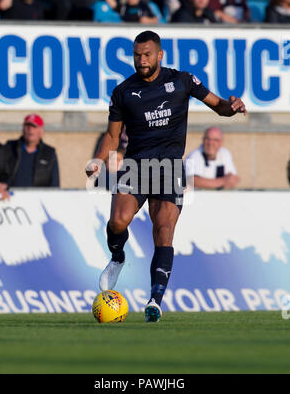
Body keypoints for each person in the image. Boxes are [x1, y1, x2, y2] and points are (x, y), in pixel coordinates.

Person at [85, 30, 246, 322]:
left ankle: (154, 302)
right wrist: (98, 160)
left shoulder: (182, 81)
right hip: (135, 166)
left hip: (170, 167)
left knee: (163, 231)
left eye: (147, 54)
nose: (141, 60)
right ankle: (118, 257)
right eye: (137, 55)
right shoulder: (123, 91)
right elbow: (112, 134)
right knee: (117, 221)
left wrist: (231, 107)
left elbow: (217, 105)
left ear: (160, 54)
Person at [0, 114, 60, 188]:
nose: (30, 129)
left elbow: (55, 184)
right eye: (27, 126)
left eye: (34, 126)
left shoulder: (49, 153)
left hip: (39, 198)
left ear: (41, 131)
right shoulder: (10, 147)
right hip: (11, 197)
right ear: (23, 129)